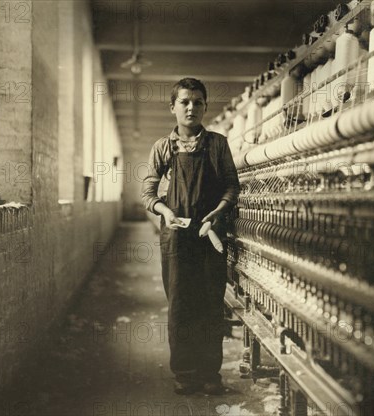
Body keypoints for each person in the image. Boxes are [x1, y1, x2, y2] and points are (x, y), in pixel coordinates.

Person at [141, 78, 240, 395]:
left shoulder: (217, 145)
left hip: (210, 233)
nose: (191, 108)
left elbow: (231, 185)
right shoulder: (162, 148)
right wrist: (165, 212)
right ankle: (185, 373)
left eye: (198, 102)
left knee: (211, 303)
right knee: (181, 305)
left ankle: (210, 374)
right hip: (177, 236)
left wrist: (219, 210)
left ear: (205, 107)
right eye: (184, 101)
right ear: (173, 107)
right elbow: (147, 192)